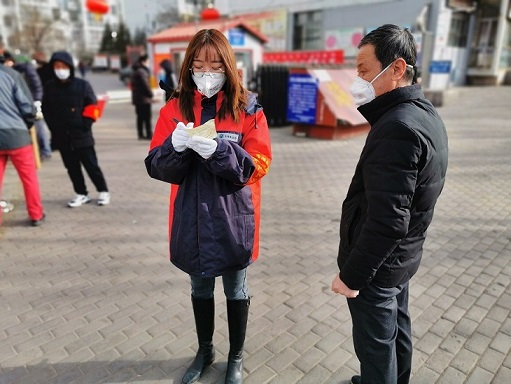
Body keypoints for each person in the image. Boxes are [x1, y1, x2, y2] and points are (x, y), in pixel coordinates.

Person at [145, 29, 272, 384]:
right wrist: (175, 148)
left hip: (234, 217)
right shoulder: (175, 107)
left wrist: (221, 152)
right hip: (191, 217)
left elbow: (260, 163)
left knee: (235, 288)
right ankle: (205, 350)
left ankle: (236, 356)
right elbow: (156, 164)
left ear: (229, 67)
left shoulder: (247, 106)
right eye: (199, 65)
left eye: (215, 65)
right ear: (188, 67)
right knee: (200, 288)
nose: (207, 73)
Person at [331, 24, 448, 384]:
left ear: (397, 69)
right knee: (396, 330)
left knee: (376, 347)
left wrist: (351, 276)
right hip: (402, 259)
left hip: (377, 268)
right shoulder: (423, 112)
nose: (358, 81)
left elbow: (387, 222)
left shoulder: (397, 127)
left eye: (365, 71)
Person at [42, 50, 110, 208]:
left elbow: (92, 106)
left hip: (82, 135)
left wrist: (85, 124)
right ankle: (81, 193)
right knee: (72, 168)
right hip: (62, 137)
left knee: (91, 166)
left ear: (70, 67)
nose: (60, 69)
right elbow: (47, 109)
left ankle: (103, 191)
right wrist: (54, 128)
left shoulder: (82, 85)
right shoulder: (50, 86)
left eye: (63, 66)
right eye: (57, 66)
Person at [0, 53, 45, 226]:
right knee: (28, 178)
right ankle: (36, 215)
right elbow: (27, 106)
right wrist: (27, 124)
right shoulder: (12, 75)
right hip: (17, 136)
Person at [3, 50, 52, 161]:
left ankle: (45, 151)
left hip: (32, 102)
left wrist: (37, 101)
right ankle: (32, 153)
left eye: (7, 61)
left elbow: (37, 85)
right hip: (16, 106)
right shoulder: (6, 73)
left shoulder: (25, 69)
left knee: (39, 127)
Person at [130, 54, 153, 140]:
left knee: (140, 117)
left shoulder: (136, 71)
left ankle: (140, 134)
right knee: (146, 117)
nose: (148, 63)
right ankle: (148, 134)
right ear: (143, 62)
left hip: (138, 98)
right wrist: (150, 94)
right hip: (144, 98)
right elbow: (145, 84)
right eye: (147, 61)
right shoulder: (142, 71)